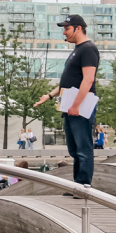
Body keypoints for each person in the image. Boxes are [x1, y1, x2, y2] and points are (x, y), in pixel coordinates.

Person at [34, 15, 98, 193]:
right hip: (69, 105)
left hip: (80, 106)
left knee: (83, 148)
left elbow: (88, 79)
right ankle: (78, 184)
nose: (64, 32)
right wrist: (49, 95)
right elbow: (68, 82)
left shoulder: (88, 49)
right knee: (74, 148)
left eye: (67, 28)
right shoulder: (77, 50)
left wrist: (77, 105)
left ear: (78, 28)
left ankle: (84, 187)